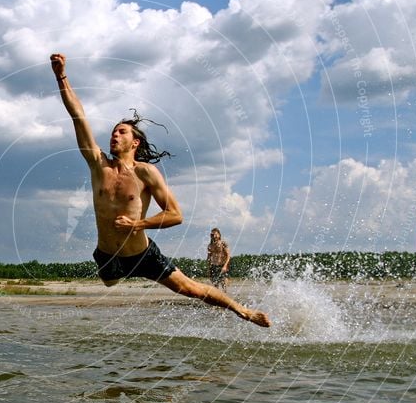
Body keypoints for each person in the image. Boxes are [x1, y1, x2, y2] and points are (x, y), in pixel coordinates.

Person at [50, 52, 270, 327]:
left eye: (122, 132)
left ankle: (243, 311)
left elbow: (175, 214)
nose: (114, 135)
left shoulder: (146, 173)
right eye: (113, 132)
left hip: (142, 255)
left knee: (191, 289)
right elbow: (78, 116)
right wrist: (61, 76)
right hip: (108, 255)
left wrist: (138, 224)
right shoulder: (98, 166)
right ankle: (114, 274)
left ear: (135, 143)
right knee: (109, 282)